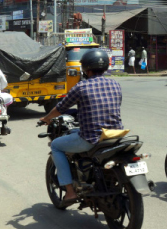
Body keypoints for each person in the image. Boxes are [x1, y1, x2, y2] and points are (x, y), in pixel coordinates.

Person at [39, 49, 122, 206]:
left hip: (92, 138)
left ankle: (70, 192)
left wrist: (46, 118)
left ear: (86, 68)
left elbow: (61, 108)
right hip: (115, 135)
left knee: (56, 145)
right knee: (75, 132)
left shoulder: (81, 87)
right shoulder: (115, 84)